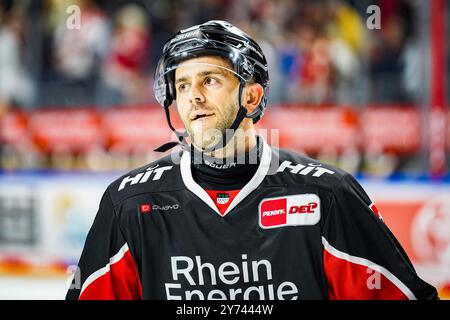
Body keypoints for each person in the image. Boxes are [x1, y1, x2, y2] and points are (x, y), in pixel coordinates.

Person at [66, 20, 438, 300]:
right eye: (182, 85)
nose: (192, 96)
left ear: (252, 96)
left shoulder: (326, 196)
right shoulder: (129, 204)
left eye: (210, 80)